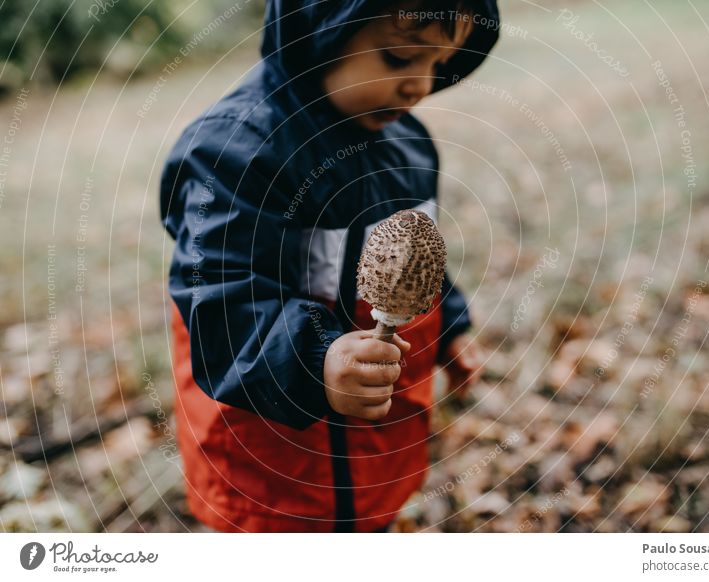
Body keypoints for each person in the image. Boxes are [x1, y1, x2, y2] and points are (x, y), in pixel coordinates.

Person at [160, 0, 499, 532]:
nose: (420, 86)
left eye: (437, 64)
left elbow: (412, 259)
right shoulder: (237, 153)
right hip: (272, 460)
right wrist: (316, 361)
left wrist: (451, 324)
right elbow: (222, 300)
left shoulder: (408, 148)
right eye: (398, 57)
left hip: (376, 443)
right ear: (318, 33)